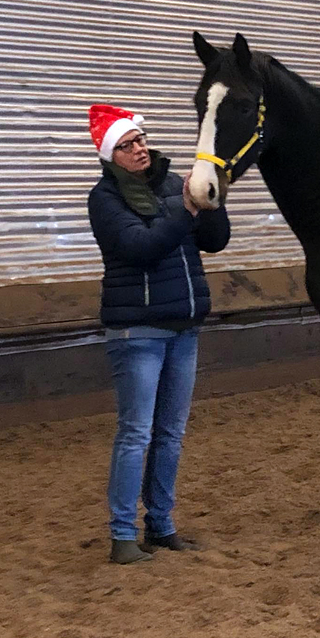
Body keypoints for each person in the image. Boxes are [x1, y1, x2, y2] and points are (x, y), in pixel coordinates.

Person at [86, 104, 230, 564]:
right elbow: (140, 247)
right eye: (126, 146)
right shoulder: (105, 199)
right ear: (112, 156)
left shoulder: (173, 184)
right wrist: (186, 209)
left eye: (140, 140)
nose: (139, 150)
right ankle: (123, 535)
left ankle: (162, 525)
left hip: (183, 328)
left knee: (170, 433)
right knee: (136, 433)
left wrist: (211, 197)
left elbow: (214, 240)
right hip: (138, 332)